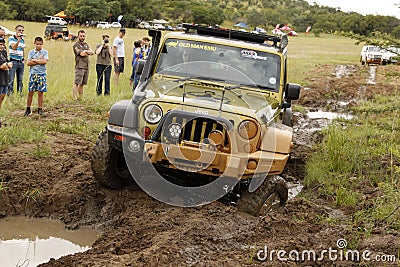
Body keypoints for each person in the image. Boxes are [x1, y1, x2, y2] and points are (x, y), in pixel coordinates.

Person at [24, 37, 49, 117]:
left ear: (42, 44)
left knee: (40, 92)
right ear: (34, 44)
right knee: (30, 92)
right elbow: (28, 63)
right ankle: (28, 109)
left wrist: (34, 60)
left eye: (40, 44)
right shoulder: (31, 52)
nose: (38, 46)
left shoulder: (45, 52)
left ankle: (40, 109)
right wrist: (39, 61)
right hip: (33, 74)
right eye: (37, 44)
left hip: (42, 74)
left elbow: (45, 61)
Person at [73, 30, 94, 100]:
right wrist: (87, 52)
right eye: (81, 36)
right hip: (80, 66)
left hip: (86, 65)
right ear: (78, 36)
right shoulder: (76, 45)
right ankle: (75, 97)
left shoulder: (85, 44)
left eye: (83, 36)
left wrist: (86, 51)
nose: (82, 37)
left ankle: (81, 97)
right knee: (77, 82)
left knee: (82, 83)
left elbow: (92, 52)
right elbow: (82, 54)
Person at [8, 25, 26, 96]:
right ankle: (10, 94)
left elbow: (22, 49)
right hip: (13, 61)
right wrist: (18, 40)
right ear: (16, 30)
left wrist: (23, 58)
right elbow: (14, 47)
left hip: (20, 61)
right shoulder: (11, 38)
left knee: (20, 79)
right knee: (11, 79)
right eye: (19, 30)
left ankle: (20, 93)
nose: (21, 32)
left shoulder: (23, 40)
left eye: (22, 30)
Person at [0, 38, 12, 110]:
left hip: (5, 78)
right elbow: (2, 66)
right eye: (0, 44)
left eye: (3, 45)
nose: (1, 46)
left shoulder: (4, 52)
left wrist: (6, 65)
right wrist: (7, 65)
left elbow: (9, 64)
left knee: (2, 99)